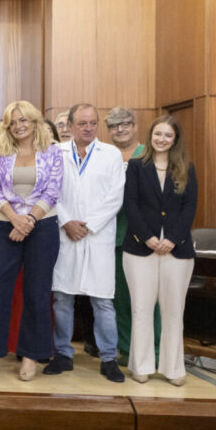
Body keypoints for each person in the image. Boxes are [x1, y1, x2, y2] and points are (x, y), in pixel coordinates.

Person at [0, 100, 63, 381]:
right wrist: (15, 220)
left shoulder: (52, 150)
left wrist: (29, 221)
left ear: (34, 121)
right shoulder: (0, 151)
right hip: (7, 225)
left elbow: (53, 190)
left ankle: (31, 356)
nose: (19, 126)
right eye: (13, 122)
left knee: (37, 293)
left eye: (23, 120)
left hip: (43, 225)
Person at [46, 104, 126, 383]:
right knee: (62, 298)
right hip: (65, 234)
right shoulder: (56, 153)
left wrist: (89, 225)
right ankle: (63, 354)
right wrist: (66, 221)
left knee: (103, 301)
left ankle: (108, 358)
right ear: (69, 125)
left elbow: (115, 197)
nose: (88, 128)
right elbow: (50, 192)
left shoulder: (111, 154)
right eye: (82, 123)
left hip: (97, 236)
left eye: (93, 123)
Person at [123, 115, 197, 386]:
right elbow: (130, 204)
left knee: (173, 311)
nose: (162, 139)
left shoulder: (186, 167)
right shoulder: (136, 166)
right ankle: (141, 365)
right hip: (140, 249)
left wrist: (173, 239)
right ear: (150, 136)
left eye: (168, 135)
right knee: (142, 309)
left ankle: (173, 369)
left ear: (175, 140)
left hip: (177, 251)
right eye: (158, 134)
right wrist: (148, 237)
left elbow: (190, 207)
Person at [106, 106, 157, 364]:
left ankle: (154, 351)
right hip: (112, 237)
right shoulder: (105, 156)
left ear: (135, 126)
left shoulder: (149, 155)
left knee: (149, 298)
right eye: (114, 126)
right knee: (120, 299)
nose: (120, 129)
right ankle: (127, 350)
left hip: (146, 237)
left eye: (125, 123)